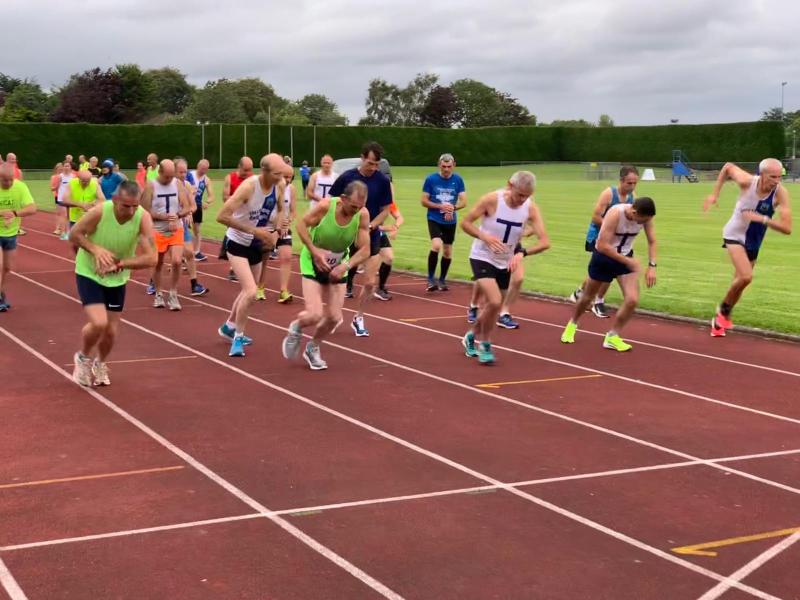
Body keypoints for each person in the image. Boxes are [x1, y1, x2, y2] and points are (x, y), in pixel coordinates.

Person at [69, 181, 157, 386]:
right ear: (115, 199)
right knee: (99, 322)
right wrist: (96, 250)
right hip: (89, 271)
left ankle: (100, 363)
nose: (131, 210)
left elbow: (152, 258)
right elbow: (74, 234)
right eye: (126, 206)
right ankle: (82, 358)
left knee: (111, 330)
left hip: (116, 276)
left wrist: (120, 264)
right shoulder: (100, 211)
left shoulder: (143, 218)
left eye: (135, 206)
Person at [461, 171, 550, 363]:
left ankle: (471, 335)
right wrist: (484, 236)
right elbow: (466, 223)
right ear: (510, 185)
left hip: (505, 260)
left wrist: (522, 253)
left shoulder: (530, 208)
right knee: (494, 301)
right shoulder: (491, 200)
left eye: (527, 196)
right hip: (482, 255)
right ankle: (485, 345)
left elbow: (545, 242)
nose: (522, 200)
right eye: (519, 195)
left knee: (495, 306)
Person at [281, 181, 371, 370]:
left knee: (334, 317)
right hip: (313, 261)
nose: (356, 210)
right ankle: (297, 326)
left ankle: (313, 348)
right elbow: (301, 226)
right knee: (314, 314)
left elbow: (365, 249)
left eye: (360, 207)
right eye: (353, 206)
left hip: (338, 263)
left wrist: (346, 265)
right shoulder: (325, 206)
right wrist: (314, 251)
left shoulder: (362, 214)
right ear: (343, 199)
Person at [703, 158, 792, 336]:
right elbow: (728, 167)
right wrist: (715, 194)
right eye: (772, 176)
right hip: (734, 234)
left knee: (740, 284)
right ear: (761, 175)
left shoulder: (780, 193)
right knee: (746, 277)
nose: (776, 181)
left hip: (754, 239)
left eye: (779, 176)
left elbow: (787, 228)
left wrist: (763, 219)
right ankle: (723, 311)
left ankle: (719, 322)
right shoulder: (746, 181)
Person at [216, 154, 290, 357]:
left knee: (248, 291)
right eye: (277, 174)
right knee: (250, 292)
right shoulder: (248, 187)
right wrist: (254, 231)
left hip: (258, 245)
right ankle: (238, 337)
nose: (280, 177)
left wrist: (276, 231)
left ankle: (229, 326)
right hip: (238, 243)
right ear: (264, 172)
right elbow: (221, 216)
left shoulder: (280, 184)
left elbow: (282, 210)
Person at [561, 197, 658, 351]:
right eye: (641, 220)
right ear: (634, 211)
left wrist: (652, 266)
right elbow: (602, 245)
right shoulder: (615, 213)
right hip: (603, 258)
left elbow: (652, 241)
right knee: (587, 297)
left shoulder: (646, 218)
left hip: (625, 258)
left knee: (632, 300)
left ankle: (612, 336)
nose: (642, 224)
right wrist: (628, 261)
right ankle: (573, 323)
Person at [329, 142, 393, 336]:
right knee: (336, 277)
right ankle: (333, 315)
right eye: (370, 163)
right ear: (362, 158)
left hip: (370, 234)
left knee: (369, 283)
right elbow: (332, 203)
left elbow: (386, 210)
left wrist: (371, 225)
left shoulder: (381, 180)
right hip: (345, 233)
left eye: (376, 164)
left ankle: (359, 317)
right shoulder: (347, 177)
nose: (373, 168)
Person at [569, 165, 640, 318]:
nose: (632, 186)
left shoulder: (632, 197)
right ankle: (598, 301)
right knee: (606, 266)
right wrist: (612, 229)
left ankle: (580, 292)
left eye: (635, 183)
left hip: (616, 238)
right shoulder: (609, 194)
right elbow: (595, 216)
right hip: (598, 235)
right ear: (621, 181)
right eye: (629, 183)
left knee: (599, 270)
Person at [140, 159, 194, 311]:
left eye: (172, 176)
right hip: (157, 229)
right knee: (158, 262)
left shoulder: (177, 183)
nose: (169, 179)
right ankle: (158, 293)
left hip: (176, 228)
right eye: (167, 176)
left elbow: (187, 206)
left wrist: (176, 215)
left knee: (177, 261)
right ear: (160, 172)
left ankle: (173, 293)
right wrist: (161, 216)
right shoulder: (151, 185)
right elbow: (144, 210)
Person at [421, 153, 467, 292]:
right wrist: (440, 206)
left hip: (450, 220)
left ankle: (441, 279)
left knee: (447, 251)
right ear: (439, 165)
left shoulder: (458, 180)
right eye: (443, 166)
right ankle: (430, 279)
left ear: (454, 165)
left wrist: (453, 208)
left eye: (449, 166)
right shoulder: (431, 179)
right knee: (436, 245)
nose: (446, 169)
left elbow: (464, 202)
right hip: (434, 218)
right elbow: (424, 201)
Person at [0, 164, 37, 312]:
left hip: (11, 234)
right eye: (4, 181)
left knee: (7, 268)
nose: (8, 183)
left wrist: (14, 214)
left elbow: (32, 208)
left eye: (10, 180)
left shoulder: (20, 187)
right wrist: (3, 213)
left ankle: (1, 292)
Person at [257, 168, 296, 302]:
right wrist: (275, 225)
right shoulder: (269, 189)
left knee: (286, 258)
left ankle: (283, 291)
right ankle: (260, 287)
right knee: (264, 259)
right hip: (267, 228)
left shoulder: (292, 189)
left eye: (290, 177)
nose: (288, 179)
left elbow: (293, 211)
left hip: (284, 229)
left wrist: (288, 221)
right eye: (285, 176)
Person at [175, 158, 209, 297]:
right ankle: (154, 282)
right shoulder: (165, 186)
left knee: (189, 253)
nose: (183, 175)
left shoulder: (187, 185)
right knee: (160, 257)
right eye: (180, 172)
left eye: (185, 172)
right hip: (164, 226)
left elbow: (194, 205)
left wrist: (188, 212)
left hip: (180, 225)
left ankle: (194, 284)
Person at [220, 157, 255, 280]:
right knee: (237, 239)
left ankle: (243, 266)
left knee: (249, 240)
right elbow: (225, 197)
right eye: (245, 170)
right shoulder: (230, 178)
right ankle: (232, 267)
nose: (248, 173)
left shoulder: (252, 179)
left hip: (250, 216)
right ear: (239, 167)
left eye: (250, 170)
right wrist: (240, 199)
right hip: (234, 214)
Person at [374, 186, 403, 301]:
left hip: (378, 233)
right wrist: (386, 228)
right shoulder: (369, 200)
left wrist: (395, 227)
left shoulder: (389, 203)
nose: (392, 193)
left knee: (389, 258)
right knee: (356, 260)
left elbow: (400, 217)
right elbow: (365, 225)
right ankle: (349, 285)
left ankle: (380, 288)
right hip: (363, 233)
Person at [62, 170, 106, 244]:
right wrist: (82, 205)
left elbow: (102, 200)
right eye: (83, 181)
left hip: (90, 218)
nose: (86, 183)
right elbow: (65, 200)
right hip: (75, 218)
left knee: (90, 241)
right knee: (75, 242)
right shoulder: (72, 183)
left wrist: (93, 204)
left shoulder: (95, 184)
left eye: (88, 181)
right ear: (78, 178)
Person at [188, 159, 214, 261]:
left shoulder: (206, 180)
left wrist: (207, 202)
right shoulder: (190, 175)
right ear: (198, 166)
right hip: (186, 204)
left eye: (205, 169)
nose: (203, 171)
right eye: (202, 168)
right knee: (183, 228)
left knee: (197, 230)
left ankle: (197, 252)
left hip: (197, 206)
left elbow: (211, 196)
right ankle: (183, 252)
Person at [50, 162, 64, 235]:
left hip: (66, 197)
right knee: (59, 213)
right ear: (56, 169)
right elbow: (52, 188)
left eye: (61, 168)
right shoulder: (54, 177)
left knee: (67, 213)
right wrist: (57, 186)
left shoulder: (66, 176)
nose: (60, 170)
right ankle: (57, 228)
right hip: (58, 196)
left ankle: (65, 228)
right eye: (59, 168)